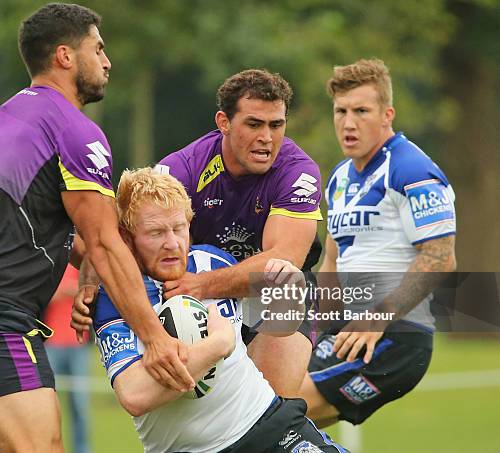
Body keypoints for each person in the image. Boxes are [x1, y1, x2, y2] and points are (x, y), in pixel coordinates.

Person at [0, 4, 192, 452]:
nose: (107, 61)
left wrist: (90, 277)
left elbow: (59, 228)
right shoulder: (74, 129)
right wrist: (154, 338)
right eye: (97, 49)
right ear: (65, 56)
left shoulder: (14, 115)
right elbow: (103, 241)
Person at [73, 69, 324, 397]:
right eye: (253, 124)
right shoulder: (182, 169)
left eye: (276, 125)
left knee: (270, 411)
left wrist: (202, 284)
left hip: (271, 297)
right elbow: (122, 232)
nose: (267, 137)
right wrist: (90, 284)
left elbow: (282, 262)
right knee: (200, 412)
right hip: (202, 297)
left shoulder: (298, 171)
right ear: (224, 122)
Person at [94, 167, 348, 453]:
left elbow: (274, 319)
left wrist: (286, 288)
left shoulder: (212, 262)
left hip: (269, 427)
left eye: (179, 228)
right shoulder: (115, 298)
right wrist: (218, 344)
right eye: (155, 233)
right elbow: (134, 395)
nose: (172, 243)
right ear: (127, 238)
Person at [298, 58, 457, 427]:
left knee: (276, 411)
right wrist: (320, 329)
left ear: (387, 114)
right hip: (349, 331)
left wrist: (376, 319)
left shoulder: (412, 169)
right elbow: (332, 264)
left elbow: (440, 257)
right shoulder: (338, 178)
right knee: (272, 423)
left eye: (361, 111)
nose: (348, 123)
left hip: (396, 337)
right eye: (340, 111)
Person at [44, 264, 91, 453]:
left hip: (78, 345)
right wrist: (70, 290)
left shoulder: (82, 265)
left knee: (80, 407)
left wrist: (67, 290)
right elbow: (45, 296)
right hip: (51, 343)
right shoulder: (52, 264)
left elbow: (89, 294)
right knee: (45, 406)